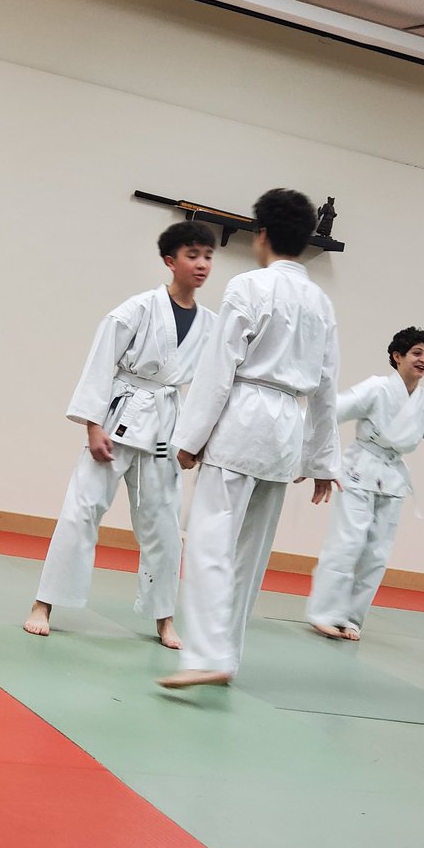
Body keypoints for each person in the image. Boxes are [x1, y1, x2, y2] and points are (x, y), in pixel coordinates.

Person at [158, 188, 340, 689]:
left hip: (242, 421)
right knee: (251, 553)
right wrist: (322, 460)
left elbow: (219, 368)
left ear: (261, 235)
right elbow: (328, 385)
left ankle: (208, 653)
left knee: (209, 543)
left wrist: (190, 437)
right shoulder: (321, 302)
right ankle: (227, 657)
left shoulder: (248, 286)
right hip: (286, 426)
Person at [24, 222, 216, 648]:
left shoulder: (211, 325)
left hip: (166, 427)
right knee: (82, 511)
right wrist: (93, 426)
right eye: (192, 255)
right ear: (170, 261)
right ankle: (44, 603)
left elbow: (208, 387)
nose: (202, 264)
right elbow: (101, 363)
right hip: (119, 417)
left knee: (164, 526)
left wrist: (195, 440)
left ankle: (164, 617)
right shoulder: (137, 309)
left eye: (207, 256)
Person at [307, 328, 424, 641]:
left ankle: (351, 620)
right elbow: (333, 410)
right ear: (398, 357)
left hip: (393, 479)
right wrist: (312, 455)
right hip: (358, 471)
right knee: (347, 544)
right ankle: (324, 614)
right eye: (417, 353)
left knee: (377, 553)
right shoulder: (377, 388)